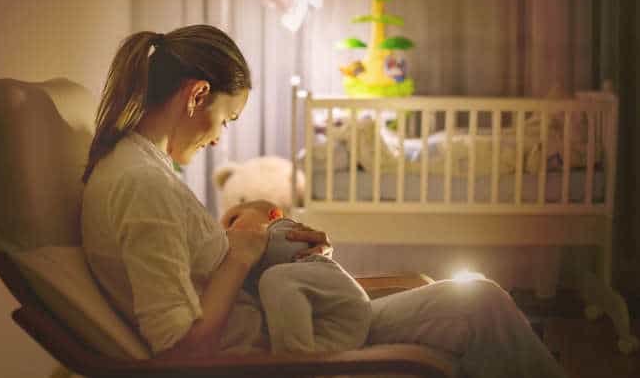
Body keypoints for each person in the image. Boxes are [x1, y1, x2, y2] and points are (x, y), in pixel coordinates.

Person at [80, 24, 568, 377]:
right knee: (480, 306)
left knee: (479, 301)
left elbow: (196, 271)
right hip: (291, 349)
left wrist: (269, 244)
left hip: (291, 321)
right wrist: (244, 253)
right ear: (197, 95)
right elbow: (181, 352)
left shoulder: (141, 169)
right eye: (227, 119)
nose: (218, 139)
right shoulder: (141, 186)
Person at [222, 199, 372, 353]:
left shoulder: (285, 230)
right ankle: (301, 363)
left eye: (232, 221)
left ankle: (292, 363)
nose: (227, 232)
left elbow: (287, 250)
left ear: (274, 215)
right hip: (321, 331)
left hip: (343, 307)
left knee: (275, 279)